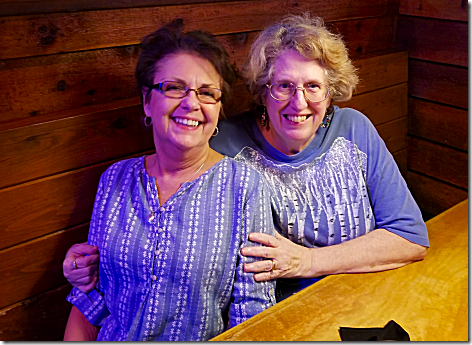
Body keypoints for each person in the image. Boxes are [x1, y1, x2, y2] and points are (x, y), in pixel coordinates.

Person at [64, 14, 429, 304]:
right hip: (290, 312)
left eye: (313, 86)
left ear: (331, 92)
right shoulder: (225, 144)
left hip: (379, 292)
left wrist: (308, 261)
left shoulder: (355, 130)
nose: (298, 102)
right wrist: (96, 265)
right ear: (263, 90)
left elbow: (410, 237)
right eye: (284, 85)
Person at [63, 21, 277, 341]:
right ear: (148, 102)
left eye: (207, 93)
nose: (191, 103)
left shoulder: (245, 187)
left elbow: (252, 315)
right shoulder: (114, 180)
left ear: (218, 111)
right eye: (174, 87)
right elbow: (89, 298)